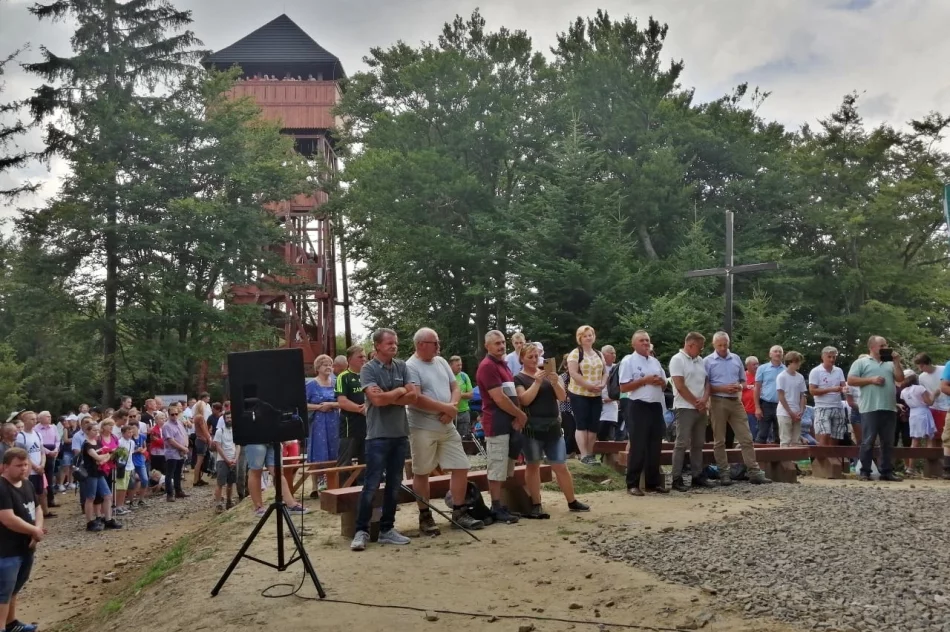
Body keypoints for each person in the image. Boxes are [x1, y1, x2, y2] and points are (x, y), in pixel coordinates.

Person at [406, 328, 483, 534]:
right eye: (435, 343)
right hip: (422, 426)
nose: (439, 346)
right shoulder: (411, 366)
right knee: (421, 471)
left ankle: (459, 512)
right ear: (421, 344)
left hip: (447, 424)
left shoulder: (440, 362)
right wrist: (446, 408)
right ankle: (425, 516)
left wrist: (451, 409)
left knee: (461, 465)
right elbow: (417, 398)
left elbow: (455, 387)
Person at [351, 328, 417, 551]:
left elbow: (414, 395)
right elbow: (376, 402)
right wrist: (400, 391)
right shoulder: (368, 369)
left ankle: (387, 529)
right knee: (370, 485)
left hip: (400, 433)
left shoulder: (402, 366)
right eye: (389, 342)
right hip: (377, 435)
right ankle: (361, 530)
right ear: (377, 345)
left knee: (394, 485)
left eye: (395, 342)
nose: (394, 345)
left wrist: (390, 394)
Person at [514, 343, 589, 516]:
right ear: (522, 359)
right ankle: (536, 504)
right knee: (533, 465)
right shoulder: (519, 378)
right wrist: (537, 382)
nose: (534, 360)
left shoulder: (549, 375)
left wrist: (555, 382)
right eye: (530, 357)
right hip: (532, 427)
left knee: (560, 465)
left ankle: (572, 501)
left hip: (553, 426)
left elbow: (562, 397)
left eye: (536, 356)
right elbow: (524, 400)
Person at [704, 332, 771, 485]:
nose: (722, 348)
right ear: (714, 345)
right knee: (719, 439)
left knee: (746, 437)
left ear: (728, 344)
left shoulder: (735, 358)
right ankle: (723, 473)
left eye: (725, 345)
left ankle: (754, 471)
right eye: (719, 345)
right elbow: (705, 386)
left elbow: (743, 381)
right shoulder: (707, 361)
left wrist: (739, 386)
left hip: (735, 401)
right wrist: (722, 388)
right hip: (717, 401)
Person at [475, 330, 526, 526]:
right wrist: (520, 415)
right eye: (496, 343)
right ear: (487, 346)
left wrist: (518, 416)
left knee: (506, 466)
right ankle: (495, 506)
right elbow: (499, 398)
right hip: (496, 423)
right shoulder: (487, 366)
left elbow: (511, 394)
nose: (501, 346)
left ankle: (500, 504)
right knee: (496, 467)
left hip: (510, 422)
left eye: (503, 342)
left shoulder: (503, 365)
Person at [847, 335, 905, 482]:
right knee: (868, 440)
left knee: (888, 441)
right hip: (869, 407)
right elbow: (851, 380)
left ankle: (886, 471)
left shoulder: (890, 364)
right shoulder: (861, 362)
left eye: (886, 345)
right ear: (872, 347)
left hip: (889, 407)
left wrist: (897, 362)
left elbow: (900, 379)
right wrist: (871, 380)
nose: (886, 348)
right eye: (883, 345)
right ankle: (864, 471)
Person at [0, 448, 45, 632]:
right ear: (4, 467)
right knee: (3, 592)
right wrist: (34, 530)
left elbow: (37, 508)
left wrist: (37, 531)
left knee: (15, 588)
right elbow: (7, 518)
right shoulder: (2, 488)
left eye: (25, 465)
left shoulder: (27, 484)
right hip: (5, 550)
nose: (24, 469)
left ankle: (11, 623)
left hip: (26, 547)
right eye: (18, 465)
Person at [619, 331, 669, 496]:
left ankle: (652, 483)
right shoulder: (629, 361)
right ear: (633, 344)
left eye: (647, 340)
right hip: (638, 405)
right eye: (642, 340)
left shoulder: (655, 361)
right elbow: (624, 387)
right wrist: (644, 380)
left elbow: (664, 385)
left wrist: (661, 382)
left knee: (655, 445)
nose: (646, 343)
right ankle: (632, 483)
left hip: (655, 405)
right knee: (638, 445)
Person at [669, 332, 715, 491]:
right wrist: (696, 402)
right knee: (681, 443)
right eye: (700, 347)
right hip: (684, 407)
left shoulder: (700, 360)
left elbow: (707, 382)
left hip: (701, 406)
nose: (701, 351)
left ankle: (697, 475)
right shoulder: (677, 359)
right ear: (690, 345)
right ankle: (676, 477)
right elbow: (680, 385)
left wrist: (705, 399)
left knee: (698, 443)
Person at [566, 325, 606, 464]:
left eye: (591, 335)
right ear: (580, 338)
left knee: (594, 425)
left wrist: (602, 384)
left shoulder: (599, 353)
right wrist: (588, 385)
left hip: (596, 394)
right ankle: (583, 455)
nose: (589, 337)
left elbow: (605, 372)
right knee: (581, 424)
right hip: (579, 393)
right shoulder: (575, 353)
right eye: (585, 335)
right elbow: (573, 373)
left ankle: (590, 454)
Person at [334, 345, 368, 491]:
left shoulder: (368, 375)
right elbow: (342, 401)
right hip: (349, 427)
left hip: (369, 426)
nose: (364, 359)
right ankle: (343, 493)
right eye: (360, 357)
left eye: (365, 356)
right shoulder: (344, 376)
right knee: (345, 461)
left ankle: (366, 491)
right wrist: (361, 409)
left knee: (367, 460)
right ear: (350, 359)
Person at [307, 354, 341, 491]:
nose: (328, 367)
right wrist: (319, 407)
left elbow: (342, 401)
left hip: (334, 421)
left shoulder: (337, 382)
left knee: (334, 450)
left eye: (330, 364)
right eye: (325, 365)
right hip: (318, 422)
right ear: (318, 367)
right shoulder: (311, 384)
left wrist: (331, 405)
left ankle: (333, 482)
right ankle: (316, 486)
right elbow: (303, 404)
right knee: (318, 451)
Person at [80, 425, 121, 532]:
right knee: (90, 498)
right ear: (87, 431)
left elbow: (104, 458)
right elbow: (98, 458)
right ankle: (89, 522)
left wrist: (104, 456)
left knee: (107, 495)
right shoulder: (87, 445)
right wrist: (106, 455)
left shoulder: (97, 443)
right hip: (90, 473)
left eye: (97, 430)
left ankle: (108, 519)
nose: (96, 432)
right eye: (94, 430)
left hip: (99, 472)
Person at [13, 413, 51, 520]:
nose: (35, 421)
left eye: (35, 419)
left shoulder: (37, 434)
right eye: (32, 419)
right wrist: (35, 467)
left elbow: (42, 451)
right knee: (30, 493)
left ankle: (43, 513)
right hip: (30, 471)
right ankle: (31, 515)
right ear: (25, 421)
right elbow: (24, 454)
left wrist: (42, 465)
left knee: (42, 491)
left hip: (39, 468)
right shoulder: (21, 436)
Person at [808, 346, 849, 446]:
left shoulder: (839, 370)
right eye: (829, 357)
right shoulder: (816, 371)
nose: (832, 359)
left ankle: (833, 459)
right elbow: (812, 390)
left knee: (836, 436)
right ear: (823, 357)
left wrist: (845, 390)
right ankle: (822, 459)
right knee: (824, 434)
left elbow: (843, 386)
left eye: (834, 357)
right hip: (822, 406)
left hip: (837, 406)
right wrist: (831, 389)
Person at [899, 371, 936, 475]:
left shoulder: (904, 391)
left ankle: (911, 468)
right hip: (923, 412)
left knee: (914, 441)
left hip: (913, 414)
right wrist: (935, 394)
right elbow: (929, 402)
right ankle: (930, 467)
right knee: (929, 438)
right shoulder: (920, 389)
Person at [914, 353, 948, 448]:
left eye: (922, 366)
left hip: (946, 407)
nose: (921, 369)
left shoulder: (943, 369)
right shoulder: (921, 377)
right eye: (918, 366)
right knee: (934, 437)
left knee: (946, 437)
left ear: (928, 363)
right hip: (933, 408)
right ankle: (935, 461)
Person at [776, 351, 807, 447]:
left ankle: (795, 461)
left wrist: (801, 410)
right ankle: (785, 462)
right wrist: (790, 412)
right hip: (784, 412)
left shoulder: (800, 377)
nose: (798, 364)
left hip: (797, 412)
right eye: (796, 362)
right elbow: (781, 396)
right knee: (785, 440)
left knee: (796, 441)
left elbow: (803, 395)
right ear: (790, 362)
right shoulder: (782, 376)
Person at [754, 346, 784, 444]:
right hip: (765, 404)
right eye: (775, 351)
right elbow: (757, 388)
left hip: (781, 405)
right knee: (762, 433)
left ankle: (778, 459)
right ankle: (758, 458)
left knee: (780, 434)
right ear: (770, 354)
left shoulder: (786, 370)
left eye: (780, 352)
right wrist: (757, 407)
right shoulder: (762, 368)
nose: (778, 353)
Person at [161, 407, 189, 501]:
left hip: (181, 452)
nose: (174, 416)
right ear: (169, 415)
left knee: (178, 473)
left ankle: (178, 491)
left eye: (176, 414)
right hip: (172, 453)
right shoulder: (167, 426)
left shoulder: (180, 423)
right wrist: (182, 448)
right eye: (172, 414)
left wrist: (185, 446)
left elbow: (184, 435)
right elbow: (170, 441)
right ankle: (169, 494)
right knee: (170, 474)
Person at [212, 411, 238, 512]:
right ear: (224, 419)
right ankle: (218, 504)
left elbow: (238, 445)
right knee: (220, 483)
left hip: (233, 459)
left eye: (231, 418)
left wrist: (235, 459)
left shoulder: (236, 431)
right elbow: (218, 446)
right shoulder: (220, 431)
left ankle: (229, 501)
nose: (229, 420)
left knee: (231, 483)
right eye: (227, 418)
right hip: (222, 460)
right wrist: (227, 460)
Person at [34, 412, 60, 510]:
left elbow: (57, 440)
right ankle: (41, 501)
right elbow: (39, 444)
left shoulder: (53, 427)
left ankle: (51, 499)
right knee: (41, 477)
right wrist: (48, 452)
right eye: (47, 416)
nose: (49, 418)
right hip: (42, 453)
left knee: (50, 477)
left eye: (50, 416)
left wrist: (56, 450)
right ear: (40, 418)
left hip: (53, 452)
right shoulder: (36, 429)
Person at [597, 346, 620, 442]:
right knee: (598, 432)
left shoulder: (617, 368)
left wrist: (613, 398)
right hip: (598, 404)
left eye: (614, 353)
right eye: (611, 353)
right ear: (603, 354)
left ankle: (608, 455)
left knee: (609, 433)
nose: (614, 355)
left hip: (612, 406)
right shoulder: (598, 368)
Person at [449, 356, 474, 440]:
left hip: (464, 412)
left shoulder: (464, 376)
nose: (460, 367)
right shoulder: (446, 376)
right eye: (457, 365)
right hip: (450, 412)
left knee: (464, 439)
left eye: (461, 365)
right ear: (451, 365)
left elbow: (470, 394)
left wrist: (457, 394)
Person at [192, 413, 212, 488]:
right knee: (199, 462)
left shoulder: (197, 417)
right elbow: (204, 431)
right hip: (202, 441)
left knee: (200, 462)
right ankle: (196, 480)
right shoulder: (200, 417)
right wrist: (209, 440)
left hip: (200, 440)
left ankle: (198, 479)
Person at [742, 356, 759, 438]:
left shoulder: (761, 375)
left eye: (757, 364)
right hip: (747, 410)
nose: (756, 366)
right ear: (747, 366)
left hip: (761, 410)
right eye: (753, 364)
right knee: (751, 434)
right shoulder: (742, 377)